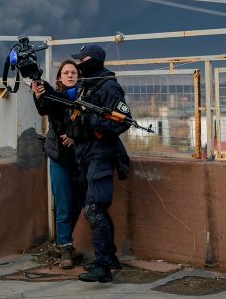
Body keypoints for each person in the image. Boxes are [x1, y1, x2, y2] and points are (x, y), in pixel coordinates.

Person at [69, 44, 131, 283]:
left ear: (93, 61)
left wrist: (93, 121)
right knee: (96, 209)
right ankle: (110, 257)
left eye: (82, 59)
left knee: (94, 209)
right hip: (85, 154)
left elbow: (124, 121)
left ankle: (103, 265)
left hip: (102, 154)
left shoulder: (109, 87)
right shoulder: (86, 85)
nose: (78, 64)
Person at [31, 60, 84, 269]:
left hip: (80, 158)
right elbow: (44, 109)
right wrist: (38, 96)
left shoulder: (86, 97)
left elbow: (91, 124)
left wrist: (75, 136)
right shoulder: (54, 96)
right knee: (63, 203)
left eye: (73, 72)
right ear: (59, 77)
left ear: (78, 76)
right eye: (66, 72)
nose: (70, 75)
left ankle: (65, 241)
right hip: (58, 157)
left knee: (78, 202)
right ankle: (66, 247)